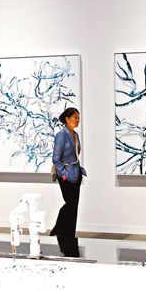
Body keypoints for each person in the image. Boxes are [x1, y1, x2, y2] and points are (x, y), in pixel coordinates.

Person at [50, 107, 85, 257]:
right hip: (65, 175)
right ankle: (60, 231)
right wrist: (63, 174)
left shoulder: (75, 135)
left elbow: (77, 153)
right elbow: (56, 158)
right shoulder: (61, 135)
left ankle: (69, 234)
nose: (77, 120)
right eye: (75, 117)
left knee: (73, 206)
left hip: (76, 174)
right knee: (70, 204)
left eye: (78, 117)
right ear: (67, 119)